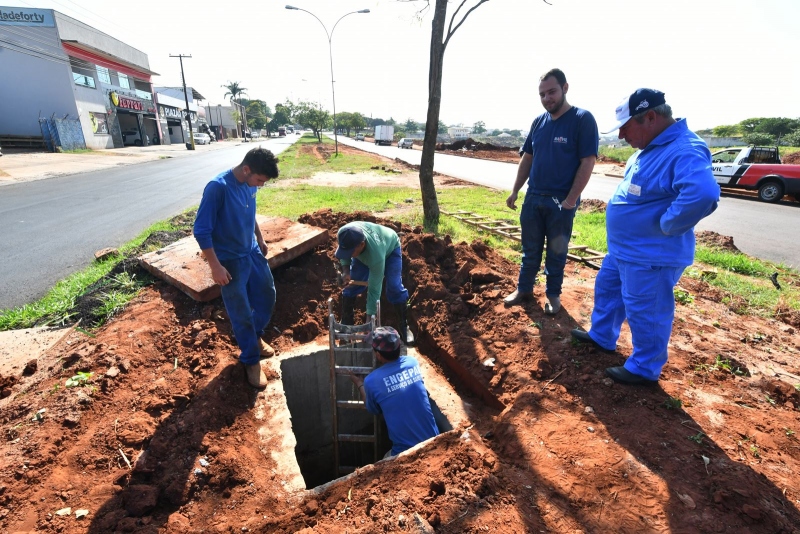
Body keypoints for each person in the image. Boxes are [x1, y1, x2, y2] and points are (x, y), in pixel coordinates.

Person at [571, 89, 720, 385]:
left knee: (646, 309)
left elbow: (703, 193)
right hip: (625, 250)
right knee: (609, 291)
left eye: (626, 128)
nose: (622, 136)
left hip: (651, 255)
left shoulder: (684, 148)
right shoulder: (649, 148)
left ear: (650, 117)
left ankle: (644, 367)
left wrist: (668, 224)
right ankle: (602, 336)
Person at [505, 68, 599, 315]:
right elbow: (528, 158)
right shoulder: (538, 122)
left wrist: (570, 200)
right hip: (534, 198)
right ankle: (524, 289)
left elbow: (587, 161)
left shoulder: (582, 119)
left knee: (557, 252)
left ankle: (553, 295)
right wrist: (515, 190)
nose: (547, 98)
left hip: (560, 202)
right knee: (530, 250)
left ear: (565, 88)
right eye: (542, 94)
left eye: (552, 92)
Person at [193, 147, 280, 388]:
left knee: (267, 295)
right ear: (246, 169)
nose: (260, 185)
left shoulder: (250, 184)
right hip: (229, 260)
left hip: (251, 251)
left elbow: (250, 214)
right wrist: (215, 267)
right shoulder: (218, 188)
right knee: (240, 311)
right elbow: (201, 230)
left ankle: (256, 336)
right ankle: (251, 360)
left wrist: (259, 238)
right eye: (260, 180)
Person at [349, 327, 439, 458]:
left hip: (407, 452)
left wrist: (359, 383)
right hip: (435, 441)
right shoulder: (412, 362)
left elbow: (373, 409)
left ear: (378, 355)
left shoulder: (371, 381)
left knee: (385, 463)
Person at [336, 221, 414, 345]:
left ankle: (403, 326)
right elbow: (344, 252)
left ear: (361, 244)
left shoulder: (376, 256)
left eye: (351, 252)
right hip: (365, 254)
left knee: (394, 286)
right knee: (351, 286)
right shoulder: (344, 233)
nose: (348, 254)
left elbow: (374, 289)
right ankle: (346, 325)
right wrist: (346, 271)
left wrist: (369, 323)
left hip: (389, 250)